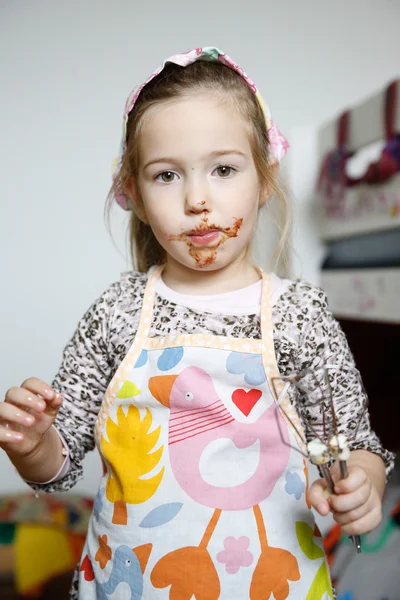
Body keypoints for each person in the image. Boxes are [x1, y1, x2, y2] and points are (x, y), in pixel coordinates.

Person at [1, 47, 395, 600]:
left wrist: (364, 486)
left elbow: (355, 444)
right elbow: (58, 463)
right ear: (134, 194)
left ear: (263, 178)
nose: (197, 199)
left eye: (224, 169)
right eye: (166, 175)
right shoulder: (117, 312)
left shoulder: (299, 315)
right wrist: (32, 445)